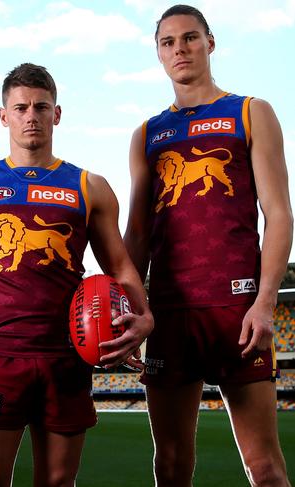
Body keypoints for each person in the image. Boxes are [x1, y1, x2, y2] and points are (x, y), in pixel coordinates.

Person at [0, 63, 154, 487]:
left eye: (40, 106)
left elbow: (120, 266)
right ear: (4, 116)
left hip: (66, 353)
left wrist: (145, 315)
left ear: (57, 114)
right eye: (20, 107)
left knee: (57, 482)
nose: (30, 115)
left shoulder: (90, 186)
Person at [124, 5, 292, 486]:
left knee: (265, 469)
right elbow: (137, 234)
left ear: (210, 43)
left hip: (237, 309)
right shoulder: (147, 134)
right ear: (158, 54)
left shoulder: (250, 111)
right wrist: (127, 305)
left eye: (190, 38)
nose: (180, 49)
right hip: (170, 315)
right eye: (168, 42)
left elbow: (278, 213)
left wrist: (264, 303)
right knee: (171, 467)